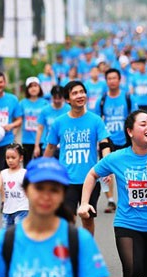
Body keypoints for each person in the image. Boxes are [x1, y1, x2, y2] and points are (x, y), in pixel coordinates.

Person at [78, 110, 147, 277]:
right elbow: (92, 174)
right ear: (130, 131)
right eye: (143, 125)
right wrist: (85, 202)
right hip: (127, 224)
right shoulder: (117, 157)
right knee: (133, 272)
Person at [0, 157, 110, 277]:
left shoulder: (81, 241)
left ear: (63, 194)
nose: (46, 196)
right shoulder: (1, 243)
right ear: (25, 190)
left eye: (54, 190)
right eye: (39, 188)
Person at [44, 81, 111, 235]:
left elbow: (104, 144)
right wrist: (40, 170)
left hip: (91, 178)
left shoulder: (95, 120)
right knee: (68, 220)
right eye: (75, 93)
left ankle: (87, 251)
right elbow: (50, 147)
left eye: (82, 92)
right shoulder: (59, 122)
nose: (80, 95)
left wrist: (106, 167)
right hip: (66, 180)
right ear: (67, 99)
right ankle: (70, 253)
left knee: (87, 219)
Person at [95, 68, 138, 213]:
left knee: (128, 170)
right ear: (106, 81)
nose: (112, 81)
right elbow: (96, 121)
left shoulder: (127, 97)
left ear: (119, 80)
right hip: (108, 138)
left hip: (126, 138)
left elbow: (135, 117)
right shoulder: (102, 100)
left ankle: (130, 197)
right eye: (109, 78)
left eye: (115, 78)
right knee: (106, 169)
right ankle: (111, 200)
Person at [33, 85, 70, 159]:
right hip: (48, 145)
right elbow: (40, 128)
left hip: (64, 146)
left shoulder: (68, 109)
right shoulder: (45, 110)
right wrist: (36, 146)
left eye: (59, 98)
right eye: (55, 98)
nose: (57, 101)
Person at [0, 143, 28, 228]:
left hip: (22, 210)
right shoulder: (3, 173)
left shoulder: (25, 173)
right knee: (7, 237)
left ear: (20, 158)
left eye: (13, 158)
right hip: (7, 211)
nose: (10, 160)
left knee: (18, 235)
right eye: (7, 158)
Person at [19, 77, 49, 166]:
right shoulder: (22, 103)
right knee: (27, 166)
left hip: (42, 140)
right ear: (27, 89)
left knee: (40, 166)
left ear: (39, 88)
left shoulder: (45, 103)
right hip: (27, 140)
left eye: (35, 86)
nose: (33, 88)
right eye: (30, 86)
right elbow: (19, 120)